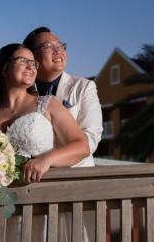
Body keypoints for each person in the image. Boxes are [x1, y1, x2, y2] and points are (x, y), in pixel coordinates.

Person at [0, 43, 92, 242]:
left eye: (33, 63)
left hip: (41, 205)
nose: (31, 66)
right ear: (4, 68)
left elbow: (81, 145)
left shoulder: (47, 104)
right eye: (23, 61)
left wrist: (47, 159)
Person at [23, 27, 103, 167]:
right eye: (49, 47)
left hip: (76, 173)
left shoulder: (84, 87)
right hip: (32, 177)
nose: (58, 51)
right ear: (32, 57)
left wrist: (48, 160)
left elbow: (90, 139)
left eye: (60, 46)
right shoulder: (22, 91)